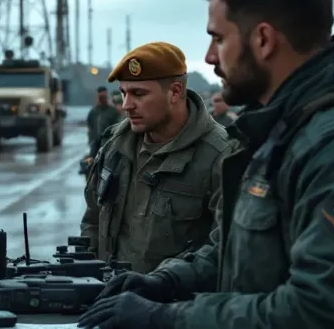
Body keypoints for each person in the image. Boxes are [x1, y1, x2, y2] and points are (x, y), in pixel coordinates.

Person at [78, 0, 334, 329]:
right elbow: (239, 247)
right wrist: (164, 281)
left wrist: (168, 319)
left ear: (263, 40)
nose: (209, 57)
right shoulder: (283, 130)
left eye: (218, 39)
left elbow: (324, 310)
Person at [80, 42, 231, 274]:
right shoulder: (114, 146)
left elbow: (225, 250)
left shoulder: (221, 156)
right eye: (123, 93)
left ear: (176, 92)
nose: (127, 105)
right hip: (109, 299)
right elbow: (93, 218)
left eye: (139, 94)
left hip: (173, 306)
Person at [86, 86, 122, 153]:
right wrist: (91, 140)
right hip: (95, 143)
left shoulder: (112, 111)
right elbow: (89, 126)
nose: (102, 99)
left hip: (108, 142)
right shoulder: (93, 111)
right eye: (100, 97)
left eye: (104, 97)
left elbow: (117, 126)